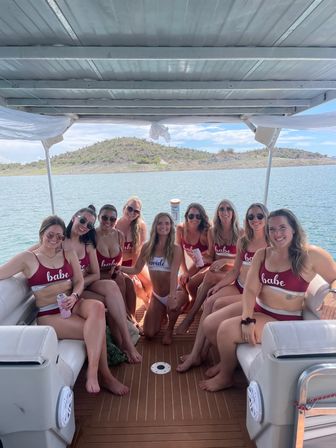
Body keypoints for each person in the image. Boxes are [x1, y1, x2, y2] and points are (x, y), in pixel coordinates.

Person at [199, 208, 336, 392]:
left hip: (281, 319)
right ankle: (228, 361)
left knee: (225, 330)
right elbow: (250, 290)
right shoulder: (262, 255)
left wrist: (330, 295)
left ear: (293, 228)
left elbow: (334, 277)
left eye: (282, 228)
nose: (277, 234)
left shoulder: (310, 255)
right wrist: (247, 318)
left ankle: (226, 375)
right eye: (272, 229)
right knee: (209, 324)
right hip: (259, 308)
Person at [0, 215, 129, 395]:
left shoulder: (68, 254)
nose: (55, 240)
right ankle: (104, 375)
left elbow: (79, 282)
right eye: (50, 235)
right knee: (95, 328)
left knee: (98, 307)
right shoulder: (27, 259)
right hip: (49, 314)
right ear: (41, 233)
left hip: (72, 303)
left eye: (60, 237)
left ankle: (93, 372)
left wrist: (75, 296)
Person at [177, 203, 269, 372]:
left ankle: (199, 351)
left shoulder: (270, 245)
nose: (255, 220)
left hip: (252, 292)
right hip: (238, 283)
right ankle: (197, 353)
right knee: (211, 299)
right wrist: (217, 283)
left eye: (259, 216)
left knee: (213, 301)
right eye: (251, 217)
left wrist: (224, 263)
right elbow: (234, 270)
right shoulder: (244, 240)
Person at [65, 205, 142, 364]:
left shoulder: (87, 241)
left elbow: (95, 274)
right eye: (82, 221)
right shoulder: (61, 242)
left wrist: (80, 282)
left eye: (88, 224)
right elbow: (36, 251)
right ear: (74, 217)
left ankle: (126, 340)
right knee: (111, 297)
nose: (85, 226)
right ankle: (123, 341)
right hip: (72, 289)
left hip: (86, 282)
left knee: (118, 284)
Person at [176, 199, 242, 334]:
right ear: (217, 213)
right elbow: (211, 255)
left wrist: (225, 261)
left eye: (228, 209)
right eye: (221, 209)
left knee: (204, 281)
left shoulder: (241, 233)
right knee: (192, 284)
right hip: (216, 271)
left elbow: (244, 262)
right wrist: (199, 256)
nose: (225, 212)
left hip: (233, 273)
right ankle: (195, 308)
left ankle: (190, 318)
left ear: (233, 213)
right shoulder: (213, 231)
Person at [120, 213, 183, 344]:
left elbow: (174, 274)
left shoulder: (176, 249)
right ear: (155, 226)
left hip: (175, 291)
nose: (163, 226)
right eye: (160, 223)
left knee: (174, 305)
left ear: (171, 226)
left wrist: (172, 297)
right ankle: (162, 314)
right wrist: (118, 268)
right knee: (148, 333)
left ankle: (170, 330)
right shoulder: (147, 247)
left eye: (167, 223)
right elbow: (136, 269)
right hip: (157, 295)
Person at [95, 203, 137, 321]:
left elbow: (120, 259)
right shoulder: (92, 236)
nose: (108, 221)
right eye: (104, 217)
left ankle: (131, 316)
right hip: (97, 275)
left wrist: (117, 268)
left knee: (129, 282)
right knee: (119, 280)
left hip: (113, 272)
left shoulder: (119, 235)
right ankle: (126, 316)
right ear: (99, 217)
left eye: (112, 219)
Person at [175, 202, 211, 314]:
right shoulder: (180, 229)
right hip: (197, 263)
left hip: (209, 263)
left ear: (202, 218)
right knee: (182, 281)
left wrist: (204, 258)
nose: (194, 219)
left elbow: (213, 255)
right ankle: (187, 300)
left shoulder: (205, 233)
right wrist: (185, 271)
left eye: (198, 216)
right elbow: (179, 252)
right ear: (186, 216)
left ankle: (195, 302)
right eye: (191, 216)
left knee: (191, 284)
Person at [116, 197, 152, 305]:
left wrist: (132, 273)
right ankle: (145, 302)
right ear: (124, 208)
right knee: (136, 286)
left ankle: (151, 302)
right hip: (119, 264)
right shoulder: (115, 225)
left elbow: (137, 253)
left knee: (150, 283)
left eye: (136, 211)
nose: (132, 213)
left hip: (134, 263)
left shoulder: (140, 227)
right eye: (130, 209)